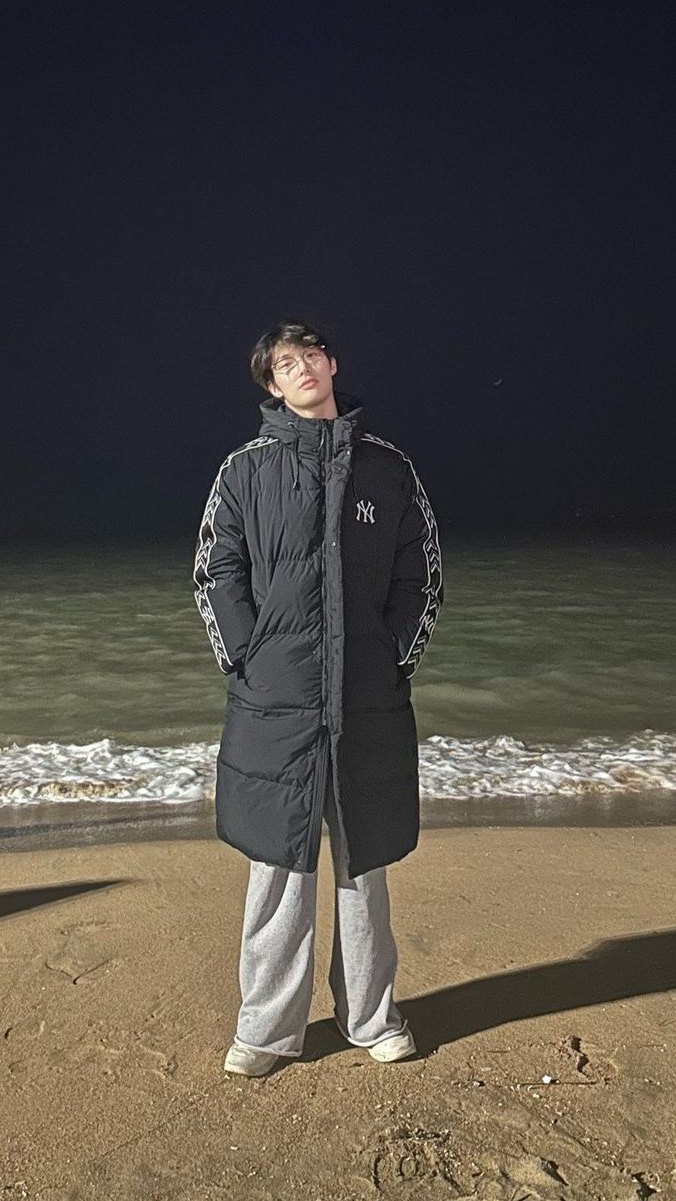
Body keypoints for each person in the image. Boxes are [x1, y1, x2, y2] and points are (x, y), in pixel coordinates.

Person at [193, 320, 443, 1076]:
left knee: (363, 867)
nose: (300, 368)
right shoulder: (245, 470)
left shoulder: (388, 468)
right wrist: (247, 658)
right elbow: (215, 572)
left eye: (310, 355)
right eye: (284, 364)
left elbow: (422, 574)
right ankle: (266, 1030)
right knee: (278, 866)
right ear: (272, 386)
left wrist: (394, 658)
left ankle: (371, 1016)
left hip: (365, 703)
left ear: (333, 363)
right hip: (278, 704)